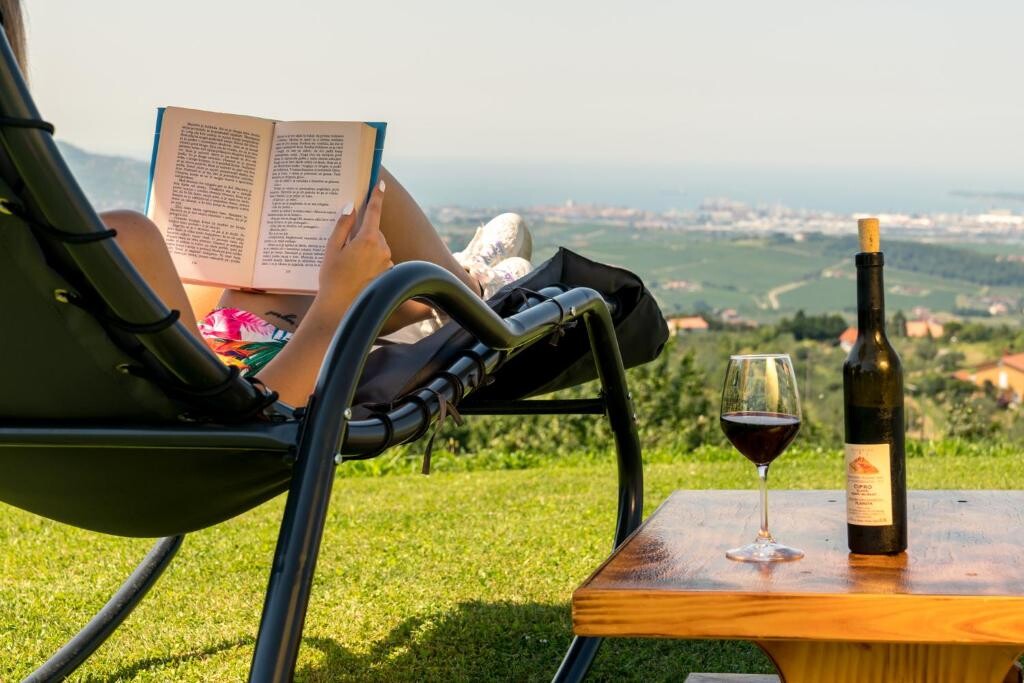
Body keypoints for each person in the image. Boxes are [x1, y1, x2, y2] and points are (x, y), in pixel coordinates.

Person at [0, 0, 533, 406]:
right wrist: (336, 304)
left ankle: (443, 297)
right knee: (363, 192)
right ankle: (472, 298)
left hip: (185, 363)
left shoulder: (31, 245)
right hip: (228, 394)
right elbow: (251, 413)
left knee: (263, 269)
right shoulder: (121, 237)